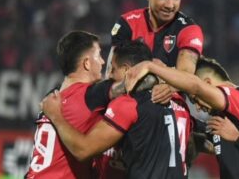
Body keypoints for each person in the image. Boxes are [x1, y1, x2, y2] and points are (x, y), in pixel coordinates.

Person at [41, 41, 185, 179]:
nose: (109, 75)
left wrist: (56, 116)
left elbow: (83, 150)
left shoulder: (128, 104)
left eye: (113, 68)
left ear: (127, 69)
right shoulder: (170, 100)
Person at [125, 56, 239, 178]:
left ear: (208, 83)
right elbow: (220, 145)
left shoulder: (238, 98)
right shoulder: (232, 114)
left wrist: (151, 67)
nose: (198, 107)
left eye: (195, 99)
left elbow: (196, 86)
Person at [106, 0, 204, 103]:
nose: (169, 5)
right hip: (128, 104)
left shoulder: (189, 30)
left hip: (170, 110)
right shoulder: (127, 23)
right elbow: (113, 74)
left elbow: (186, 76)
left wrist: (170, 87)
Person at [26, 31, 105, 178]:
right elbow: (128, 84)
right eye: (99, 55)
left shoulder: (51, 96)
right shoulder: (92, 95)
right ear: (87, 63)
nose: (103, 62)